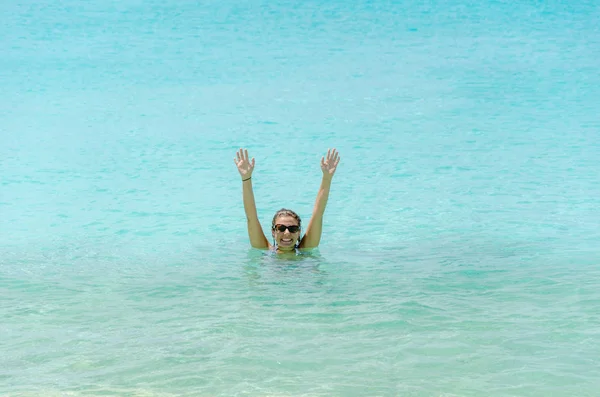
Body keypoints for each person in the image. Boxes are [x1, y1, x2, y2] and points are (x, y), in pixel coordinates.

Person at [234, 148, 340, 254]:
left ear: (299, 232)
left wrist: (327, 178)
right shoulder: (265, 250)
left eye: (293, 228)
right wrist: (246, 178)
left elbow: (318, 214)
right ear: (273, 232)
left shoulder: (305, 250)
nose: (287, 233)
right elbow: (251, 217)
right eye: (281, 228)